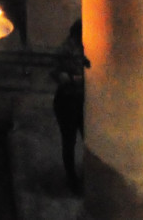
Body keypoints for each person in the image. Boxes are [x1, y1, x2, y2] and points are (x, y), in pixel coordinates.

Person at [53, 18, 88, 192]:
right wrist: (78, 79)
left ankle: (85, 174)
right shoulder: (66, 50)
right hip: (67, 101)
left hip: (81, 100)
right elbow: (57, 75)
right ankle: (72, 179)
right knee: (69, 141)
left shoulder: (84, 47)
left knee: (87, 137)